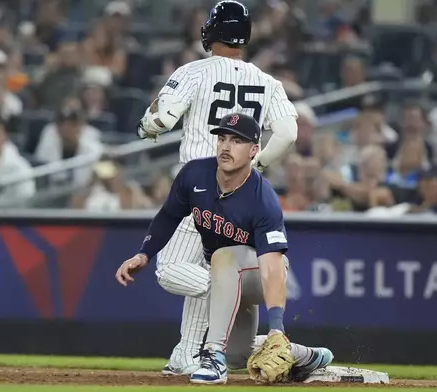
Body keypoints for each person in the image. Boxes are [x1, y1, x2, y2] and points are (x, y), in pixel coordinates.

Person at [135, 0, 299, 375]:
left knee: (171, 268)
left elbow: (162, 118)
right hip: (241, 191)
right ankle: (189, 351)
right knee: (204, 265)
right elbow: (288, 132)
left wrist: (146, 125)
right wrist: (256, 163)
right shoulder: (267, 80)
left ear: (211, 31)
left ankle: (229, 290)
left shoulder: (194, 71)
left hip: (200, 188)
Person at [115, 113, 331, 385]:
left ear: (254, 151)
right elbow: (168, 215)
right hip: (226, 275)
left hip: (260, 275)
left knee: (224, 255)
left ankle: (213, 355)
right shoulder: (195, 174)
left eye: (237, 141)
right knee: (238, 357)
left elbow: (273, 264)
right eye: (222, 138)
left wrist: (276, 325)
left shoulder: (262, 197)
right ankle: (302, 354)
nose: (226, 146)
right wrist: (143, 254)